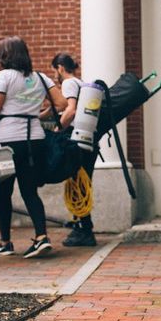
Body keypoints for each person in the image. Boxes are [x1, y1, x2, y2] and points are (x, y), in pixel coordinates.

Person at [0, 36, 67, 258]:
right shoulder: (42, 78)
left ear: (5, 56)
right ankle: (41, 237)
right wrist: (35, 115)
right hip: (35, 139)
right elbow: (62, 104)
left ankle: (5, 242)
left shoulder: (4, 76)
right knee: (29, 190)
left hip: (8, 142)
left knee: (3, 192)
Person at [40, 52, 98, 247]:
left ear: (60, 68)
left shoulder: (68, 83)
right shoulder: (80, 83)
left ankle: (84, 230)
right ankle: (81, 228)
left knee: (77, 185)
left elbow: (70, 109)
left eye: (54, 70)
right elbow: (59, 109)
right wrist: (41, 115)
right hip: (88, 140)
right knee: (81, 183)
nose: (55, 74)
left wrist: (58, 129)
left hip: (76, 141)